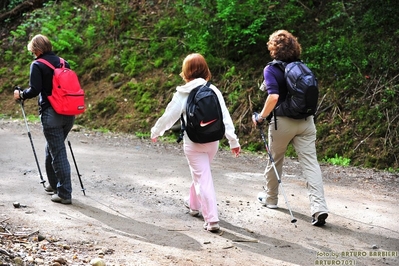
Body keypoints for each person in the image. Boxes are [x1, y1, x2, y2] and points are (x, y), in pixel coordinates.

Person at [151, 53, 241, 232]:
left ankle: (212, 219)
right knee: (202, 174)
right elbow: (225, 117)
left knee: (202, 177)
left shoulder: (182, 93)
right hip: (213, 141)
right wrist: (233, 141)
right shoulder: (213, 90)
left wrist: (157, 131)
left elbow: (169, 116)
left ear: (186, 72)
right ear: (205, 69)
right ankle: (193, 205)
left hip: (193, 143)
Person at [252, 30, 329, 226]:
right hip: (306, 121)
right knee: (311, 164)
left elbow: (274, 97)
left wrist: (261, 117)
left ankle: (271, 199)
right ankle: (319, 208)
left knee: (275, 159)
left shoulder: (271, 69)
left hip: (283, 122)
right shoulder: (301, 67)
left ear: (273, 49)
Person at [13, 34, 75, 204]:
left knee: (58, 151)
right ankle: (54, 184)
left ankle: (64, 193)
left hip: (51, 114)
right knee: (53, 147)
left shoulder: (37, 65)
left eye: (33, 50)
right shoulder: (64, 63)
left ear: (37, 50)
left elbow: (34, 90)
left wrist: (21, 95)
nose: (32, 53)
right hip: (69, 113)